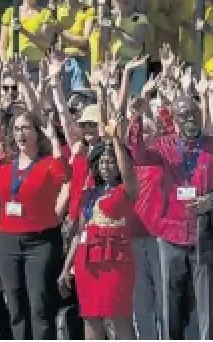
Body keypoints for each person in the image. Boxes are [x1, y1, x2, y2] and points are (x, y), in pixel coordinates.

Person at [129, 94, 213, 339]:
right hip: (170, 235)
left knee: (206, 305)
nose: (191, 120)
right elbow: (139, 156)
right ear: (175, 120)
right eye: (184, 116)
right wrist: (136, 117)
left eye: (194, 114)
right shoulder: (164, 145)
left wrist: (212, 199)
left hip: (204, 234)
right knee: (170, 304)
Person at [0, 109, 69, 340]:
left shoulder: (47, 164)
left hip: (40, 241)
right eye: (16, 129)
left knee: (39, 306)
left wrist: (54, 139)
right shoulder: (6, 165)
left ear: (37, 133)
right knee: (15, 306)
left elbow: (63, 174)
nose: (20, 134)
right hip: (7, 241)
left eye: (25, 128)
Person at [60, 120, 140, 340]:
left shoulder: (127, 190)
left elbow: (128, 172)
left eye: (111, 162)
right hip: (87, 262)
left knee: (119, 315)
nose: (107, 166)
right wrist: (66, 268)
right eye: (103, 162)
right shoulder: (89, 194)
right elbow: (80, 233)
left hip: (116, 260)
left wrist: (115, 140)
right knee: (90, 316)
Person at [0, 0, 55, 72]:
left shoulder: (45, 14)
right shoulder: (10, 12)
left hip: (35, 65)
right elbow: (2, 46)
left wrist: (24, 31)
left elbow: (46, 44)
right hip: (13, 63)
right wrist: (5, 63)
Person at [53, 0, 95, 92]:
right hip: (59, 61)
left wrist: (61, 31)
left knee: (78, 100)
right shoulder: (55, 10)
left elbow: (85, 42)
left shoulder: (88, 10)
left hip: (79, 61)